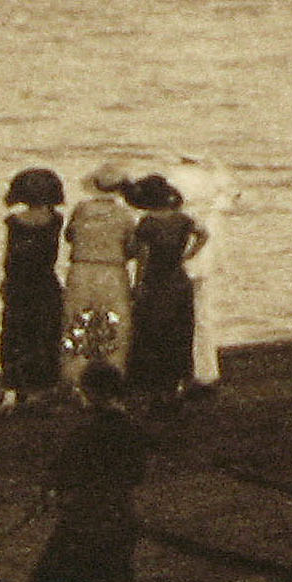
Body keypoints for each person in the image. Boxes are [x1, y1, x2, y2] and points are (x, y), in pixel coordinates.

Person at [29, 365, 153, 582]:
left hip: (85, 519)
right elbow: (137, 474)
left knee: (49, 578)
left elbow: (62, 472)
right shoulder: (134, 428)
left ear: (93, 393)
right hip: (122, 515)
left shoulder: (84, 432)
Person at [122, 174, 208, 404]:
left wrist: (136, 285)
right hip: (178, 278)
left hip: (155, 281)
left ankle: (154, 384)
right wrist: (188, 254)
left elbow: (143, 258)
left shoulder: (148, 223)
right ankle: (179, 381)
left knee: (153, 332)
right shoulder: (182, 219)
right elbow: (204, 234)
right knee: (179, 331)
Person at [0, 168, 67, 413]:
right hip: (45, 282)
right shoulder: (56, 220)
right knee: (45, 334)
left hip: (20, 284)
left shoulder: (15, 222)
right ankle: (42, 388)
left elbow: (11, 259)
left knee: (14, 335)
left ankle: (12, 390)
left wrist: (6, 281)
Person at [62, 163, 138, 388]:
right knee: (114, 324)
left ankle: (75, 377)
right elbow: (132, 247)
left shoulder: (81, 210)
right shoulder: (124, 215)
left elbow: (69, 236)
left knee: (78, 322)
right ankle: (113, 375)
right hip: (113, 270)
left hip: (81, 269)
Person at [167, 158, 237, 397]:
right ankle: (205, 370)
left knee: (180, 315)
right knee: (204, 314)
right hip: (206, 254)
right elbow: (232, 196)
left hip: (182, 253)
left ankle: (186, 371)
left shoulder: (175, 178)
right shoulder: (214, 184)